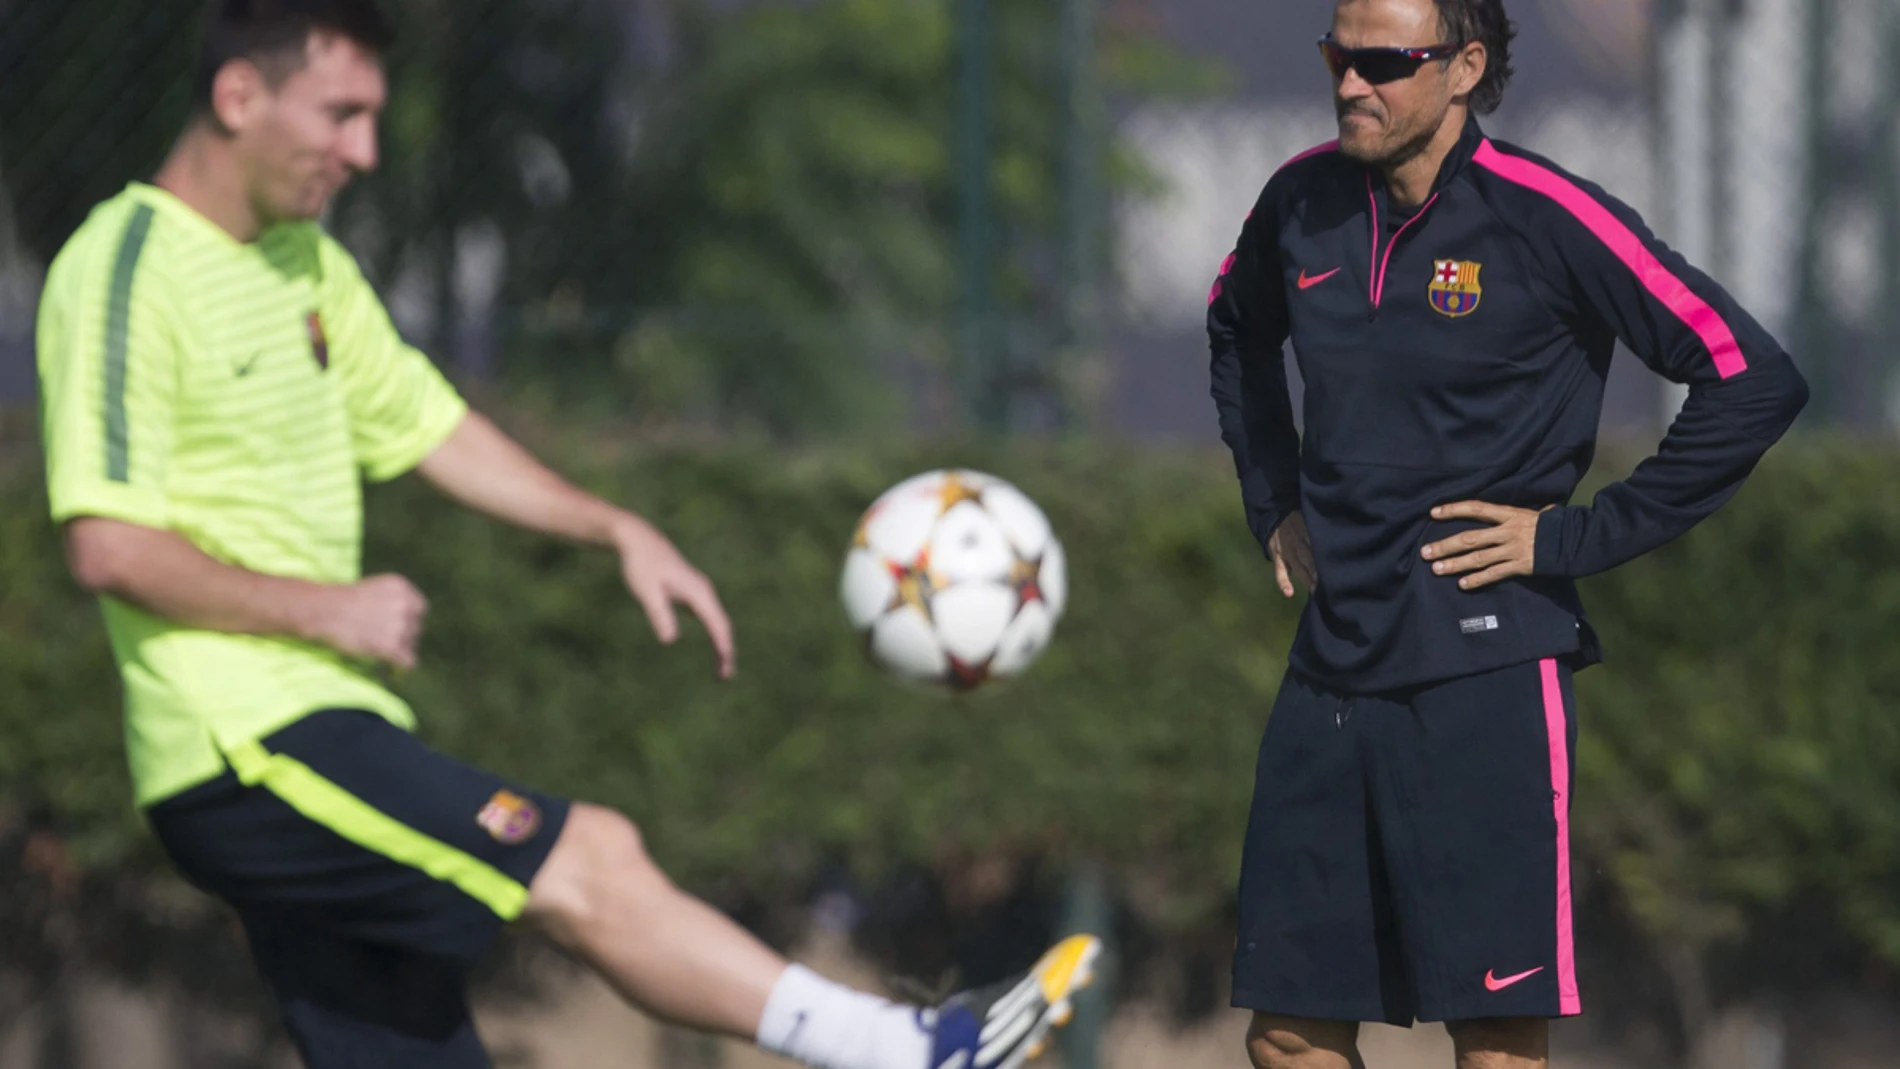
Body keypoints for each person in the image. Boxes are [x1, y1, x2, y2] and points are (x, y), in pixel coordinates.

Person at [34, 2, 1098, 1066]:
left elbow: (432, 426)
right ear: (237, 98)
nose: (360, 151)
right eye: (341, 114)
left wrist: (614, 524)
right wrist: (327, 608)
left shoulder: (302, 263)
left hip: (319, 729)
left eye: (373, 120)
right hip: (246, 744)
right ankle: (908, 1048)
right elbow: (108, 545)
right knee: (589, 856)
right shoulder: (127, 265)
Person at [1204, 0, 1808, 1066]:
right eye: (1337, 55)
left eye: (1383, 61)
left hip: (1485, 677)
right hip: (1330, 670)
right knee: (1288, 1035)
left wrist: (1573, 539)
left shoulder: (1546, 215)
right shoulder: (1298, 200)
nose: (1350, 83)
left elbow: (1751, 377)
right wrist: (1274, 499)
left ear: (1464, 66)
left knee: (1492, 1036)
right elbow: (1236, 331)